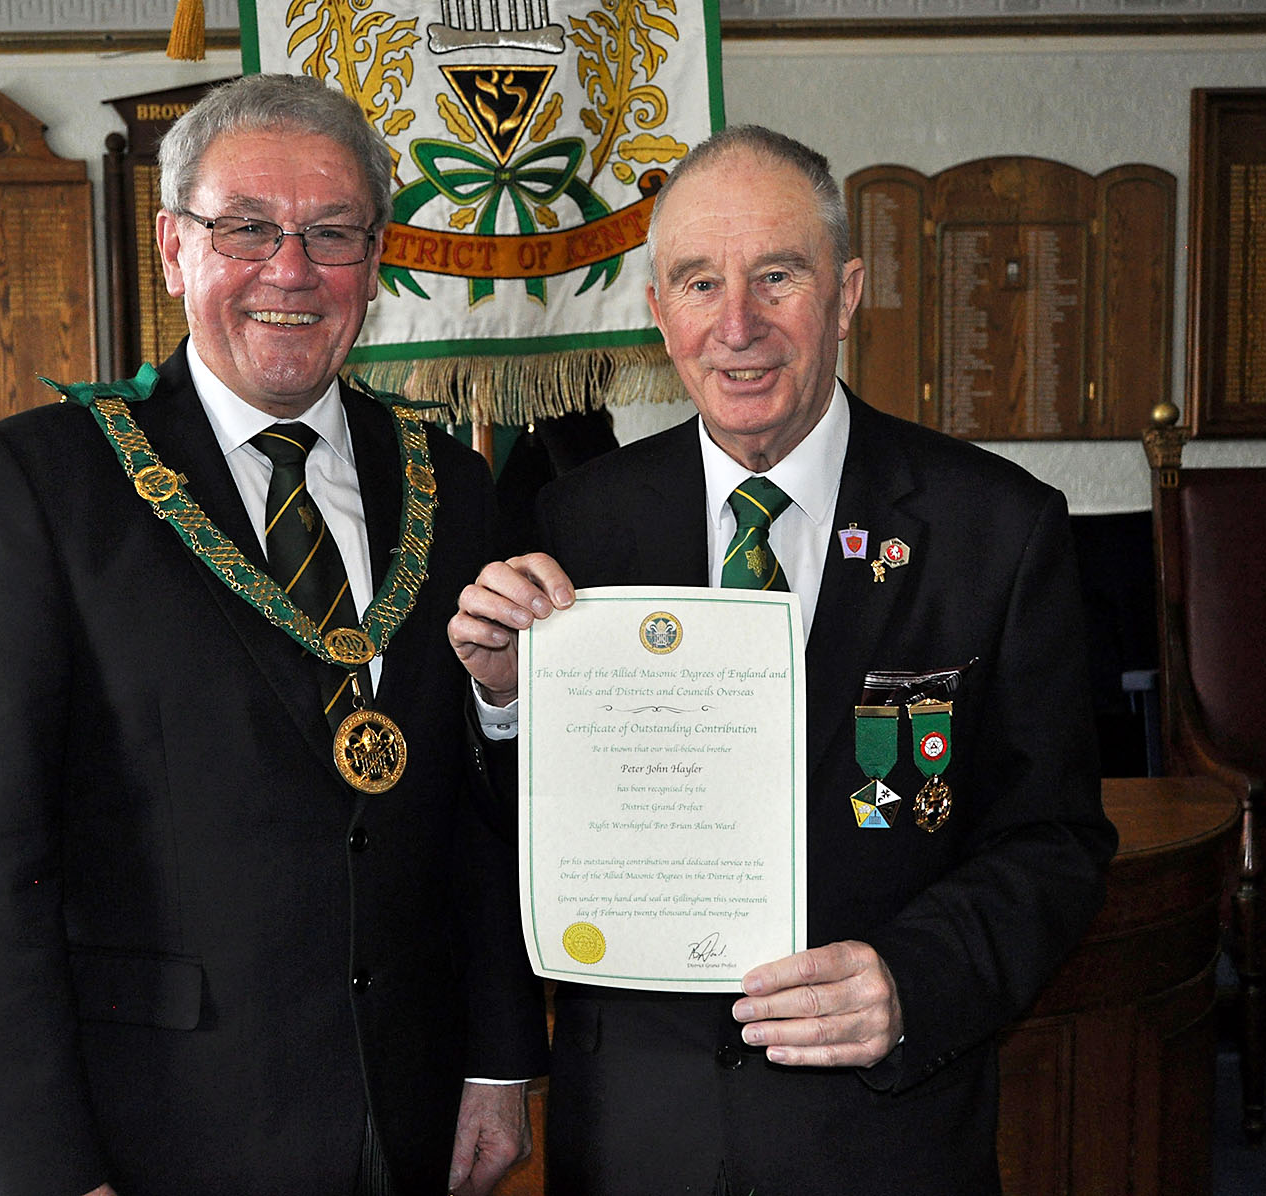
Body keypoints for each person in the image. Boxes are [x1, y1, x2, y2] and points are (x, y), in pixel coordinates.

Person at [449, 125, 1119, 1194]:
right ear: (659, 311)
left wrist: (913, 977)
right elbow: (500, 829)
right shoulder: (578, 524)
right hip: (635, 1136)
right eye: (700, 282)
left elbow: (1055, 839)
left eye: (778, 275)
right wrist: (500, 700)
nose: (740, 325)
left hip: (880, 1134)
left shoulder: (996, 528)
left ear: (847, 293)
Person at [0, 73, 546, 1196]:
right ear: (173, 247)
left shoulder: (451, 483)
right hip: (156, 1127)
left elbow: (473, 809)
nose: (289, 270)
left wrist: (499, 1056)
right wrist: (40, 1169)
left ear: (377, 256)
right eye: (246, 228)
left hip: (407, 1110)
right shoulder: (46, 482)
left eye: (331, 232)